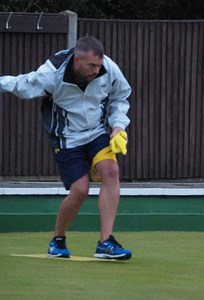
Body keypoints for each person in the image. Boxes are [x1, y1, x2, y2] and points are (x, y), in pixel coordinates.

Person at [0, 35, 132, 260]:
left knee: (111, 171)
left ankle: (105, 242)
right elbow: (22, 84)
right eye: (91, 65)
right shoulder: (53, 73)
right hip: (66, 136)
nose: (96, 70)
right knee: (80, 190)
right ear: (76, 61)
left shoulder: (108, 68)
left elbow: (121, 96)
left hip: (97, 132)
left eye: (99, 65)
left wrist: (118, 126)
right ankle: (58, 239)